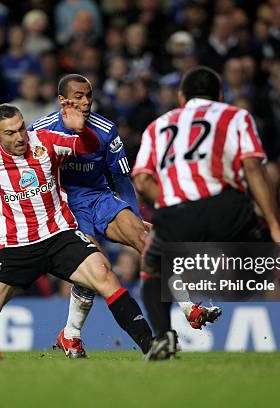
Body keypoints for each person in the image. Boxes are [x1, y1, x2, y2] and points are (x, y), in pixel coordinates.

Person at [132, 65, 280, 359]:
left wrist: (174, 203)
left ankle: (163, 338)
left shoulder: (157, 126)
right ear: (219, 95)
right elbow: (253, 167)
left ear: (181, 97)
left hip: (175, 211)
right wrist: (275, 225)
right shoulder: (234, 116)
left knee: (153, 270)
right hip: (225, 208)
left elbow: (141, 180)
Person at [0, 103, 174, 361]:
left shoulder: (45, 142)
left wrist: (81, 130)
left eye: (21, 128)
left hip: (60, 237)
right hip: (18, 249)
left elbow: (88, 147)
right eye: (11, 133)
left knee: (105, 275)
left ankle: (150, 345)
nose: (20, 137)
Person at [29, 74, 220, 358]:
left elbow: (121, 179)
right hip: (65, 202)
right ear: (63, 101)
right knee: (92, 262)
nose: (85, 102)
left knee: (146, 240)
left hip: (99, 197)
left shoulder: (106, 130)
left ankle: (189, 308)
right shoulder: (39, 129)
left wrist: (132, 213)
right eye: (78, 96)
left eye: (89, 96)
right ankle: (71, 334)